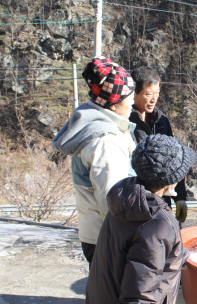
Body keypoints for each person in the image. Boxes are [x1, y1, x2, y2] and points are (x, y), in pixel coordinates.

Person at [85, 134, 197, 304]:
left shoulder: (125, 200)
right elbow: (141, 296)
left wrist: (179, 254)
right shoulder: (157, 223)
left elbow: (139, 255)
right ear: (171, 181)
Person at [52, 56, 136, 268]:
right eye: (130, 97)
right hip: (110, 238)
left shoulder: (92, 127)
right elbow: (113, 203)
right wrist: (132, 240)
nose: (133, 102)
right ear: (114, 104)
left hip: (95, 234)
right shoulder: (106, 142)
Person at [128, 66, 188, 224]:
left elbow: (175, 160)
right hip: (136, 203)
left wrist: (180, 198)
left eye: (157, 93)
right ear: (133, 93)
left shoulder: (161, 120)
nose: (153, 99)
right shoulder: (125, 121)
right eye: (148, 94)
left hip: (162, 202)